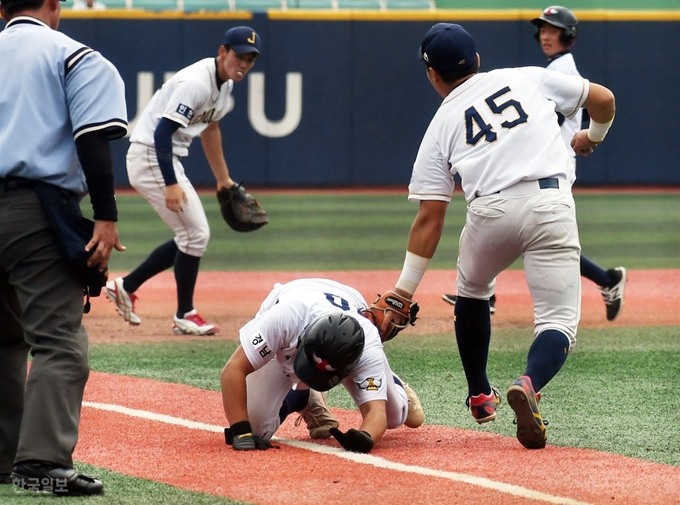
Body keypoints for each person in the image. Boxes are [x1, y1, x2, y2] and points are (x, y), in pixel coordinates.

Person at [388, 23, 615, 449]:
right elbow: (604, 99)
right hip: (550, 202)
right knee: (557, 323)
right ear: (476, 60)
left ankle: (478, 392)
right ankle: (528, 382)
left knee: (472, 291)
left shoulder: (439, 125)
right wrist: (591, 137)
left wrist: (404, 290)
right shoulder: (525, 75)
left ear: (432, 75)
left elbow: (430, 218)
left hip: (489, 210)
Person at [0, 0, 127, 495]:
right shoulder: (73, 54)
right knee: (59, 342)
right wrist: (107, 217)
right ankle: (40, 462)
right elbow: (93, 138)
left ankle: (4, 456)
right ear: (53, 5)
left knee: (5, 340)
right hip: (34, 211)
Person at [442, 6, 627, 323]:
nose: (545, 35)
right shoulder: (557, 67)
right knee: (534, 232)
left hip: (554, 162)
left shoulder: (564, 69)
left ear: (568, 35)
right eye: (542, 30)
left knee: (528, 227)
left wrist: (590, 136)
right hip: (548, 160)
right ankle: (607, 279)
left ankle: (484, 295)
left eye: (553, 30)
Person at [105, 26, 261, 335]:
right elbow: (163, 132)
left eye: (250, 59)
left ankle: (126, 286)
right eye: (239, 56)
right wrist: (170, 183)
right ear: (223, 52)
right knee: (196, 234)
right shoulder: (196, 83)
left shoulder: (225, 86)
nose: (243, 64)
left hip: (163, 157)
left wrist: (223, 180)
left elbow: (211, 130)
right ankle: (184, 314)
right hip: (152, 155)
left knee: (191, 236)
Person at [220, 278, 424, 453]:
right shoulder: (284, 318)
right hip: (293, 298)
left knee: (394, 417)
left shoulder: (368, 345)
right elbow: (233, 369)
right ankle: (302, 396)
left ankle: (392, 381)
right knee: (255, 430)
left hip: (346, 302)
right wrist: (240, 431)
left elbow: (376, 413)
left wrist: (365, 436)